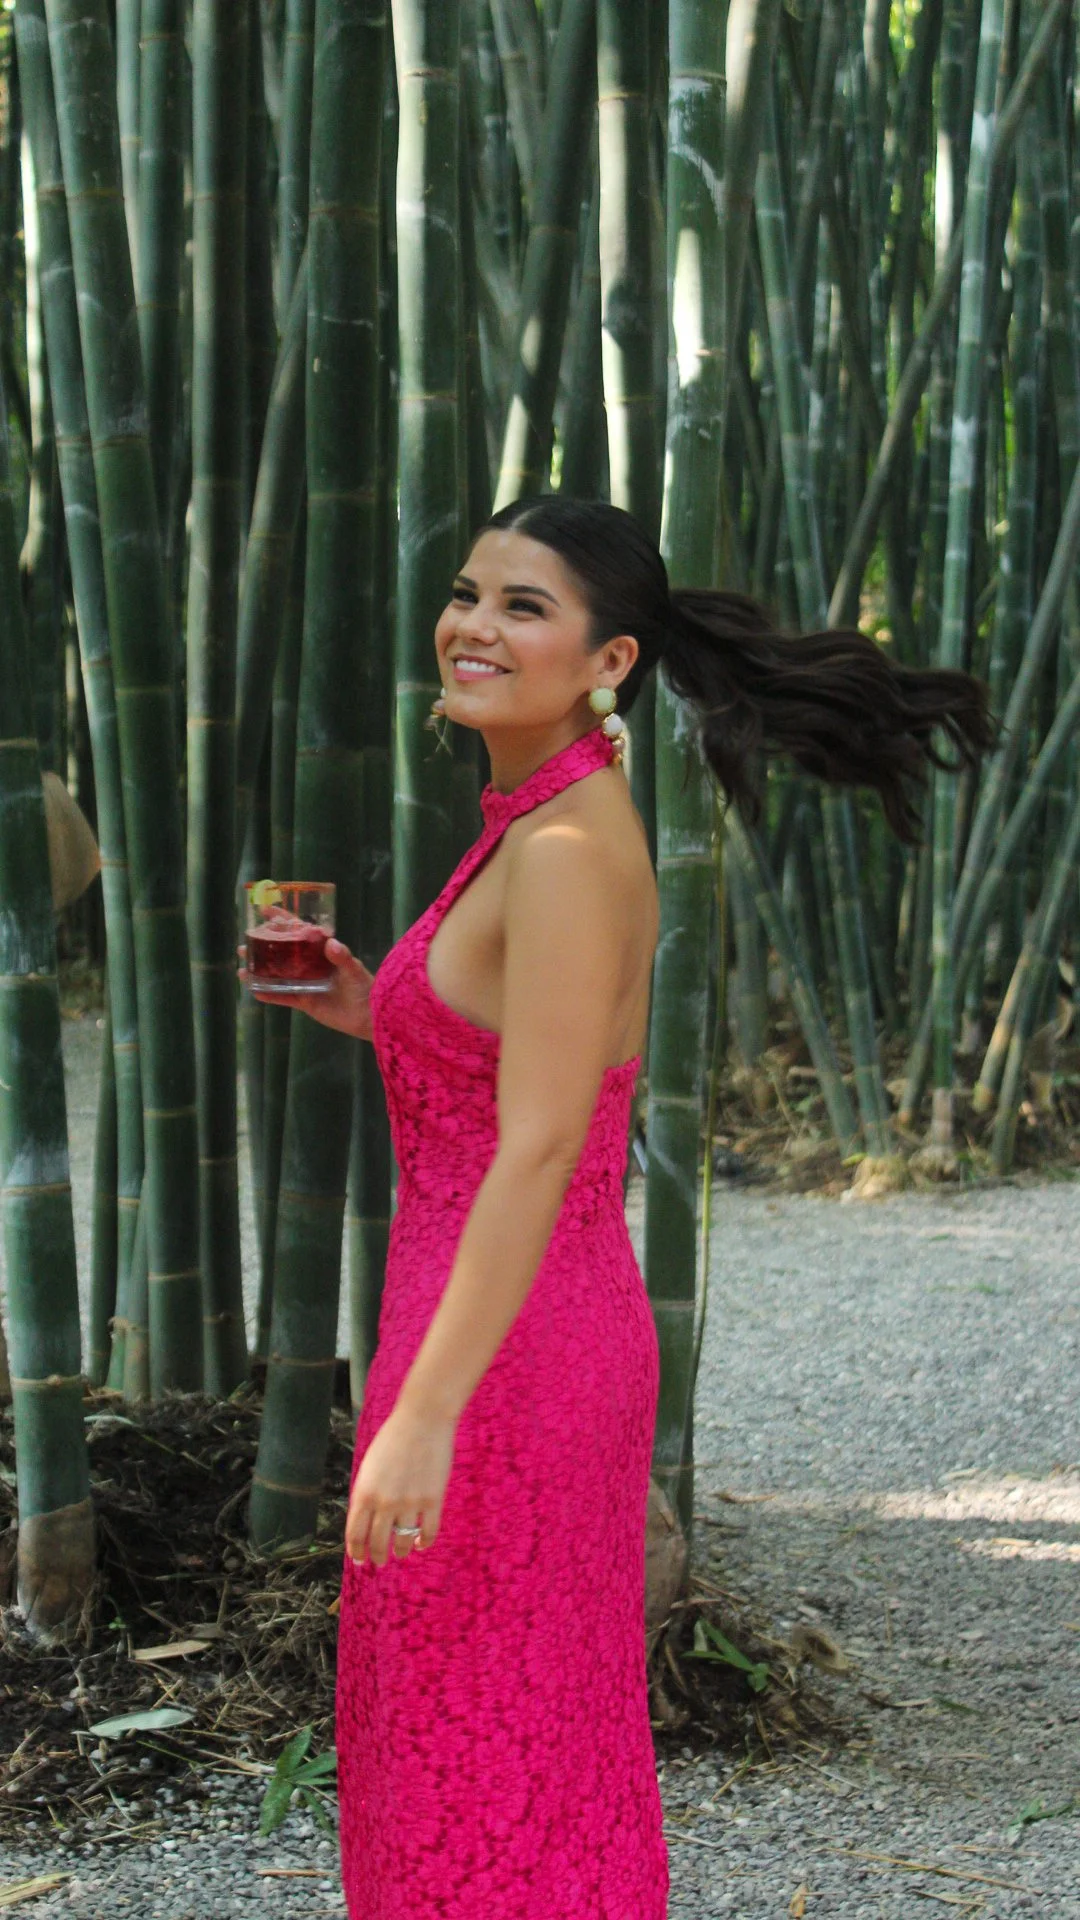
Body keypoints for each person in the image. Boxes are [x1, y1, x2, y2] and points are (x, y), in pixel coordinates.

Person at [242, 496, 992, 1918]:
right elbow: (518, 1062)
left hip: (513, 1355)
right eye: (470, 593)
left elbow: (538, 1150)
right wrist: (376, 1006)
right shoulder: (531, 820)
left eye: (526, 607)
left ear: (611, 659)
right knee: (454, 1744)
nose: (473, 625)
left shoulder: (573, 851)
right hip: (480, 1330)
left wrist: (422, 1415)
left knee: (501, 1756)